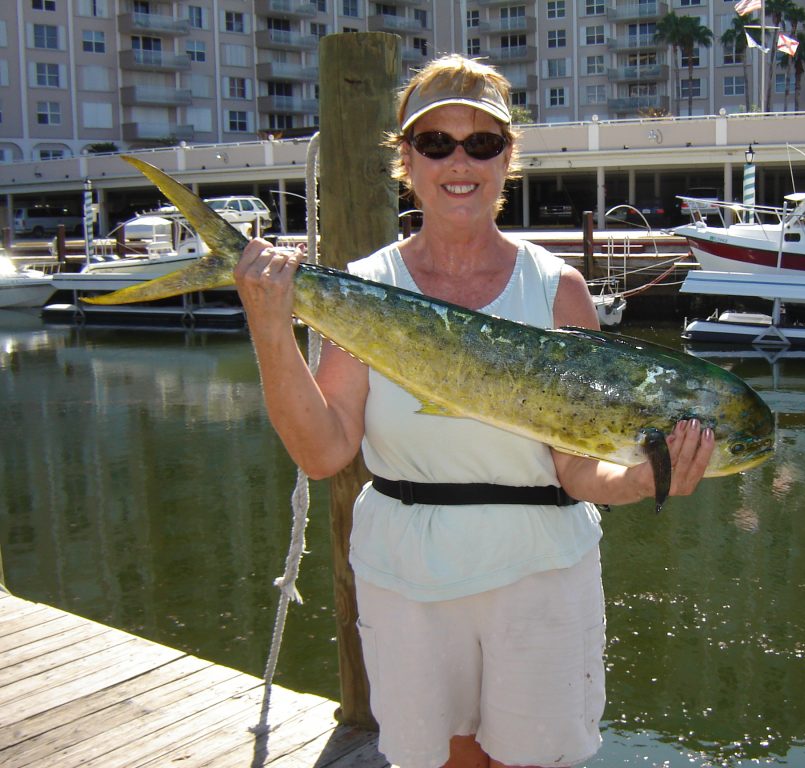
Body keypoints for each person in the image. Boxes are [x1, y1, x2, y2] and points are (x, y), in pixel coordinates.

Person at [234, 53, 715, 768]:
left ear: (506, 158)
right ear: (407, 158)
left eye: (481, 143)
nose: (459, 161)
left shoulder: (559, 290)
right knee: (444, 758)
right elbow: (326, 450)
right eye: (436, 143)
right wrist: (270, 329)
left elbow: (579, 472)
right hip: (408, 573)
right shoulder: (367, 286)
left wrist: (650, 477)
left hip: (541, 572)